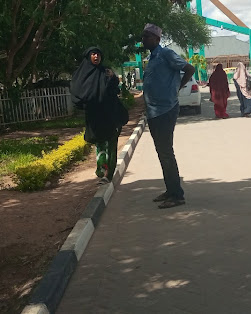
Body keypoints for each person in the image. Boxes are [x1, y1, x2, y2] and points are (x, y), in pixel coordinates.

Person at [141, 23, 196, 209]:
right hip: (154, 111)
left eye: (147, 36)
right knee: (162, 153)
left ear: (157, 39)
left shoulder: (166, 54)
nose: (144, 39)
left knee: (166, 153)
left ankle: (177, 195)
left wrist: (177, 88)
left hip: (165, 110)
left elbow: (189, 69)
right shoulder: (153, 58)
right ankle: (170, 190)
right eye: (143, 36)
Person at [71, 47, 129, 184]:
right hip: (94, 117)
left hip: (111, 115)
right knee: (100, 144)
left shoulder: (106, 72)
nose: (96, 56)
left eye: (98, 54)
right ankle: (102, 170)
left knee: (112, 144)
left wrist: (113, 78)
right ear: (88, 57)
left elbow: (115, 91)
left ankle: (108, 175)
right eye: (93, 54)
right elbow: (77, 93)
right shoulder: (81, 75)